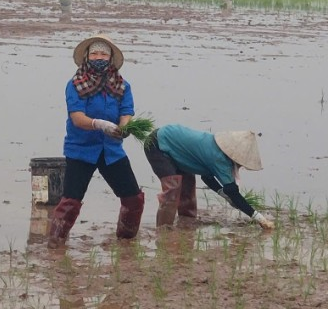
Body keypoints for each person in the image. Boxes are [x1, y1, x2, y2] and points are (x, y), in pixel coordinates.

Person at [47, 34, 144, 248]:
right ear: (86, 57)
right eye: (94, 53)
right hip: (81, 150)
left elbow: (127, 112)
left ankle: (126, 243)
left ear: (110, 58)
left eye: (103, 53)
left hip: (111, 150)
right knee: (70, 201)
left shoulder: (122, 86)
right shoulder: (75, 84)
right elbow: (77, 117)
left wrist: (124, 127)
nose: (98, 57)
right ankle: (55, 245)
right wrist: (99, 124)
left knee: (133, 198)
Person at [142, 124, 275, 230]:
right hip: (157, 144)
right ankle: (164, 231)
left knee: (187, 188)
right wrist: (259, 218)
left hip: (180, 151)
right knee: (172, 190)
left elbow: (207, 178)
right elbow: (233, 192)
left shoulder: (217, 150)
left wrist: (223, 194)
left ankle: (186, 223)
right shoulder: (219, 158)